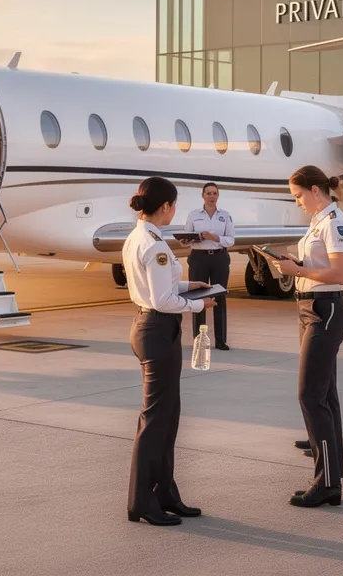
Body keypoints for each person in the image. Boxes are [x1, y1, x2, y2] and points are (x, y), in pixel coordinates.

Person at [121, 177, 215, 526]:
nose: (174, 211)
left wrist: (192, 286)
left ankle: (165, 493)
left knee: (167, 417)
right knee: (156, 420)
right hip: (158, 330)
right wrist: (198, 305)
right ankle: (141, 501)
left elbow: (158, 285)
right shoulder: (156, 245)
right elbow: (162, 299)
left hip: (151, 327)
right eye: (174, 205)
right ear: (166, 207)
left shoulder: (139, 236)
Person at [267, 165, 343, 509]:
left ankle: (326, 482)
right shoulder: (319, 222)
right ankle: (331, 478)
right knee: (324, 397)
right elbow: (317, 263)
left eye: (299, 196)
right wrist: (295, 262)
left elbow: (339, 272)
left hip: (325, 310)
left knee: (310, 396)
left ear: (316, 190)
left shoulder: (335, 223)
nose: (298, 202)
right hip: (309, 308)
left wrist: (298, 270)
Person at [185, 182, 234, 351]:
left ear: (218, 196)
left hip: (219, 258)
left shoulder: (225, 216)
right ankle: (198, 340)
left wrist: (214, 238)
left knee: (219, 297)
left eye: (214, 193)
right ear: (203, 196)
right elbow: (187, 238)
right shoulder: (193, 215)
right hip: (199, 258)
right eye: (208, 193)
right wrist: (190, 239)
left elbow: (231, 239)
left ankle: (220, 340)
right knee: (198, 298)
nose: (211, 196)